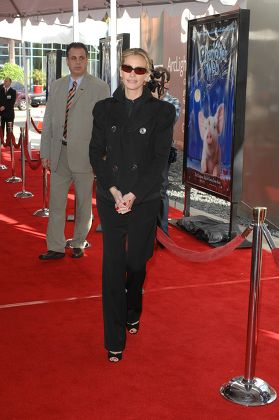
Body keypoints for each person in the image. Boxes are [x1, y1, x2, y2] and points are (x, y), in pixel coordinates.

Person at [89, 48, 176, 362]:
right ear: (120, 69)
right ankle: (114, 340)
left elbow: (158, 160)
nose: (132, 75)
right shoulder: (103, 109)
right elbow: (95, 152)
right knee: (112, 267)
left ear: (148, 74)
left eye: (140, 70)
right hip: (109, 197)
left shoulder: (162, 113)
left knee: (137, 263)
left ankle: (133, 305)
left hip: (144, 198)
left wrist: (133, 195)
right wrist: (113, 190)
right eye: (128, 67)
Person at [39, 42, 110, 260]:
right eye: (73, 58)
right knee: (56, 203)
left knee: (83, 205)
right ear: (67, 60)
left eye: (81, 58)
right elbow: (48, 121)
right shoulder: (58, 85)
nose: (77, 62)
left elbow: (105, 124)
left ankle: (79, 241)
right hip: (59, 154)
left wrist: (102, 155)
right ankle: (56, 247)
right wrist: (45, 153)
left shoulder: (100, 87)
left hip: (86, 157)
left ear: (87, 60)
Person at [153, 66, 181, 236]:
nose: (157, 84)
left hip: (162, 151)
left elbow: (165, 123)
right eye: (154, 80)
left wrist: (155, 100)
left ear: (167, 84)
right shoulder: (142, 98)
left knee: (161, 189)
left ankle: (163, 232)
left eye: (161, 80)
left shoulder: (173, 102)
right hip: (141, 150)